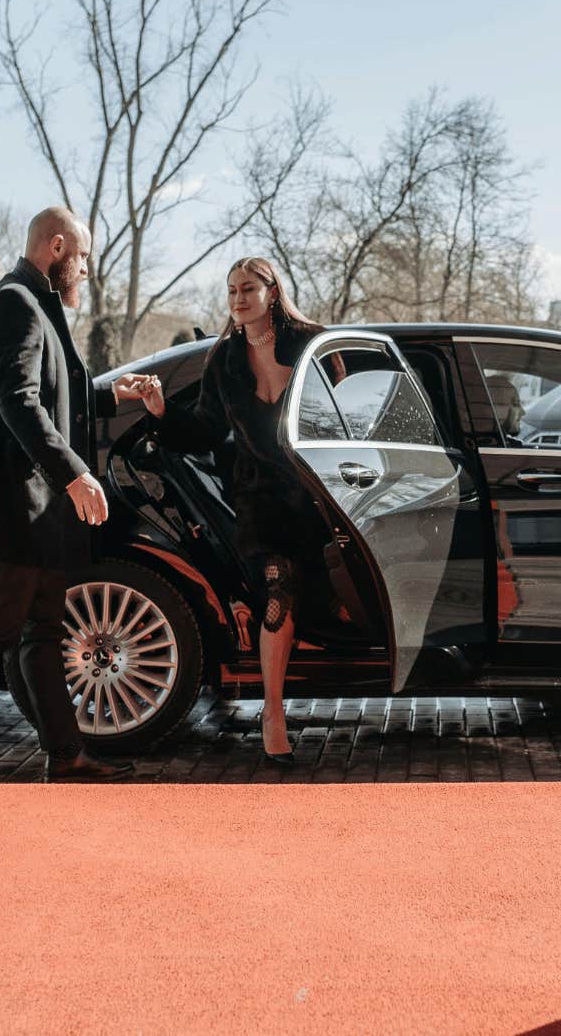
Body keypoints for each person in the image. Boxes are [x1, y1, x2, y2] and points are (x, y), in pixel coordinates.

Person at [0, 206, 153, 783]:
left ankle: (66, 755)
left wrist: (116, 394)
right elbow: (20, 402)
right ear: (56, 247)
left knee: (42, 633)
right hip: (17, 508)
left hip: (43, 511)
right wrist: (74, 474)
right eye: (82, 257)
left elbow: (62, 396)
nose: (85, 270)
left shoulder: (37, 304)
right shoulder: (15, 303)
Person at [136, 257, 329, 765]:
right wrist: (160, 412)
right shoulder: (223, 359)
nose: (238, 298)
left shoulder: (312, 344)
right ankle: (273, 712)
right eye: (231, 291)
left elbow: (345, 416)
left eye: (248, 288)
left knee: (321, 588)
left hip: (316, 496)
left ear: (272, 291)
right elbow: (204, 428)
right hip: (258, 499)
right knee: (278, 586)